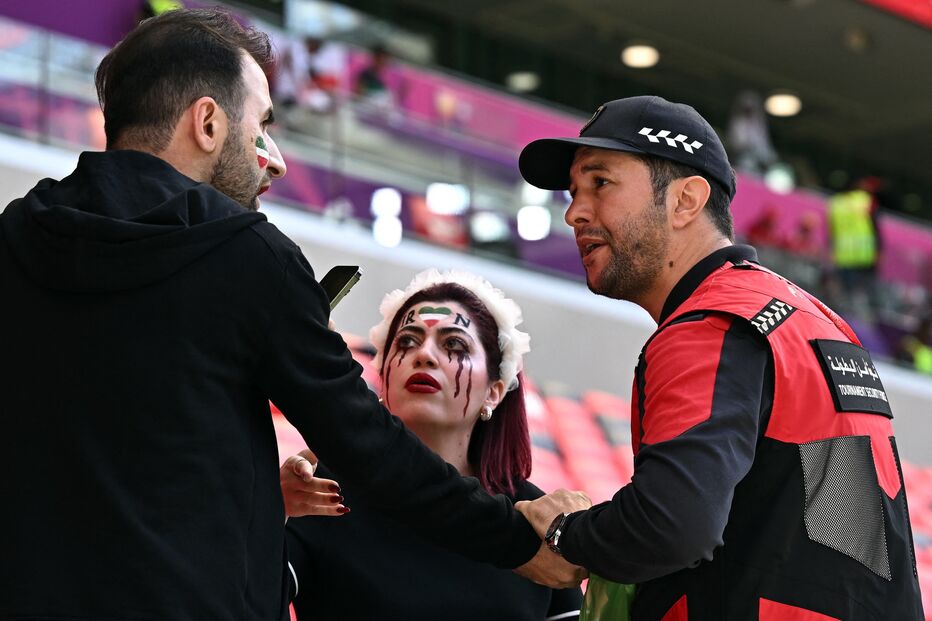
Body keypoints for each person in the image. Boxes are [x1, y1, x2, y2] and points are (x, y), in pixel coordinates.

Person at [0, 9, 585, 621]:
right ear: (207, 122)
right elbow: (367, 446)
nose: (273, 161)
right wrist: (517, 541)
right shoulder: (249, 256)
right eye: (260, 126)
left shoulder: (17, 235)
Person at [514, 96, 924, 619]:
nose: (575, 212)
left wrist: (562, 534)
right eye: (574, 192)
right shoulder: (814, 320)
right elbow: (840, 535)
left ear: (686, 200)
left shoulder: (711, 323)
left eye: (601, 183)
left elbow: (669, 527)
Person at [284, 269, 584, 620]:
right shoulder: (321, 491)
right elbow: (239, 596)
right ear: (384, 377)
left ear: (494, 391)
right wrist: (271, 512)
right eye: (407, 342)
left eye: (454, 344)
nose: (424, 355)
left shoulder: (533, 517)